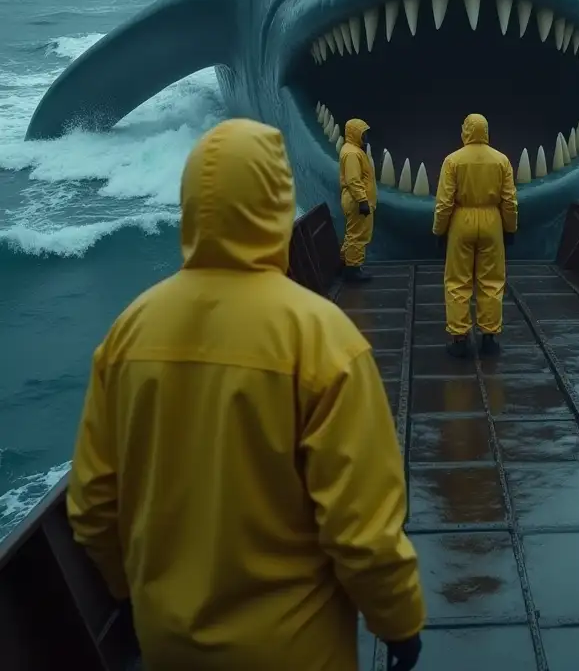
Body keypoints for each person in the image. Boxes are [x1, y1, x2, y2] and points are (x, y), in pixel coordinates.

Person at [67, 118, 425, 671]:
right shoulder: (322, 339)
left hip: (169, 644)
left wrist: (128, 592)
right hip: (294, 651)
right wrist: (399, 624)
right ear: (278, 200)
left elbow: (92, 504)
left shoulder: (128, 333)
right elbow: (363, 531)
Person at [432, 113, 518, 359]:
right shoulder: (502, 160)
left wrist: (439, 230)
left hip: (461, 222)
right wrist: (510, 228)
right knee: (491, 280)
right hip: (492, 222)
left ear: (465, 131)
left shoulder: (452, 161)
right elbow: (510, 201)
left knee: (458, 280)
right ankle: (489, 337)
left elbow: (444, 202)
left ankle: (459, 339)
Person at [340, 116, 377, 283]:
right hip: (356, 201)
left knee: (353, 234)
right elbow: (353, 180)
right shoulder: (352, 153)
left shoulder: (352, 150)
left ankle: (347, 264)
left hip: (356, 199)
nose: (366, 137)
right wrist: (362, 200)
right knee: (358, 235)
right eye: (363, 134)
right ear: (355, 134)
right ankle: (353, 271)